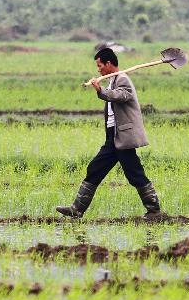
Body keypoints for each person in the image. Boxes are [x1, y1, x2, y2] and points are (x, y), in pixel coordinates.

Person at [56, 47, 162, 219]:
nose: (98, 70)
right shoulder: (112, 81)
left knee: (134, 173)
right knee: (95, 169)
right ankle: (77, 209)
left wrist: (100, 90)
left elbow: (121, 96)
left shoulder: (123, 79)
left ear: (108, 63)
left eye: (100, 66)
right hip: (112, 138)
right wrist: (103, 89)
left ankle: (154, 210)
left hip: (123, 137)